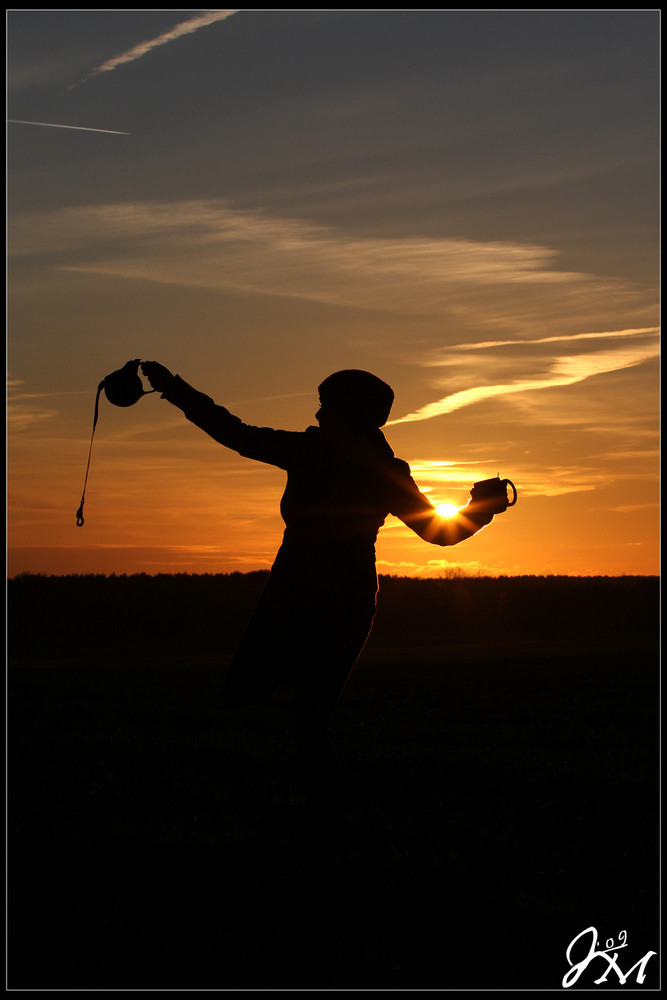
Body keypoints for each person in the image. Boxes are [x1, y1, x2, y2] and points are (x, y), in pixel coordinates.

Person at [140, 362, 508, 786]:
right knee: (282, 707)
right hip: (329, 596)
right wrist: (481, 510)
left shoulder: (321, 455)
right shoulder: (365, 466)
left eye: (325, 407)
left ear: (348, 413)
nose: (316, 416)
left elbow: (232, 432)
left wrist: (173, 387)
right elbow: (437, 532)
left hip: (312, 595)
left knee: (288, 711)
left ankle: (313, 801)